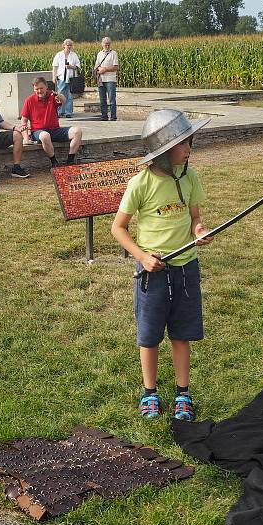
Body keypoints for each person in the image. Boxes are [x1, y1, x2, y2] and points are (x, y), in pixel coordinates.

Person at [110, 109, 213, 422]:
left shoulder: (190, 177)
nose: (189, 149)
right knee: (150, 335)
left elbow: (195, 218)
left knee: (181, 334)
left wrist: (199, 231)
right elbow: (118, 228)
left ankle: (183, 392)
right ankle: (150, 393)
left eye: (189, 142)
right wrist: (142, 257)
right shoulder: (140, 184)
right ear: (165, 151)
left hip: (185, 269)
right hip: (152, 274)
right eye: (183, 144)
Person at [20, 77, 83, 166]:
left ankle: (70, 160)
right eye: (36, 89)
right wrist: (26, 137)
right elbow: (23, 120)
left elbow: (64, 101)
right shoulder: (29, 100)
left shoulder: (52, 95)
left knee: (77, 131)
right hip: (38, 131)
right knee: (45, 136)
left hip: (55, 130)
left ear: (46, 87)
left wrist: (59, 96)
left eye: (41, 88)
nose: (39, 91)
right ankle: (54, 161)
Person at [51, 39, 81, 118]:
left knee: (69, 96)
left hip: (71, 78)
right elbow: (54, 66)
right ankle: (60, 111)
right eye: (67, 45)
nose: (69, 46)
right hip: (61, 78)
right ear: (64, 45)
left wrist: (70, 66)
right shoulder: (59, 54)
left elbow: (78, 66)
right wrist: (54, 77)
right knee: (60, 95)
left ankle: (68, 112)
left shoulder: (74, 55)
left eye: (70, 45)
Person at [94, 37, 119, 121]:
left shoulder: (114, 54)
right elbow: (96, 66)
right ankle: (104, 116)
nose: (107, 46)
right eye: (105, 44)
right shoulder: (99, 54)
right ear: (102, 44)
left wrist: (105, 69)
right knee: (102, 100)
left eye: (108, 44)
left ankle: (113, 116)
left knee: (112, 99)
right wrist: (98, 70)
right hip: (101, 79)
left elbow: (115, 67)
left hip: (110, 79)